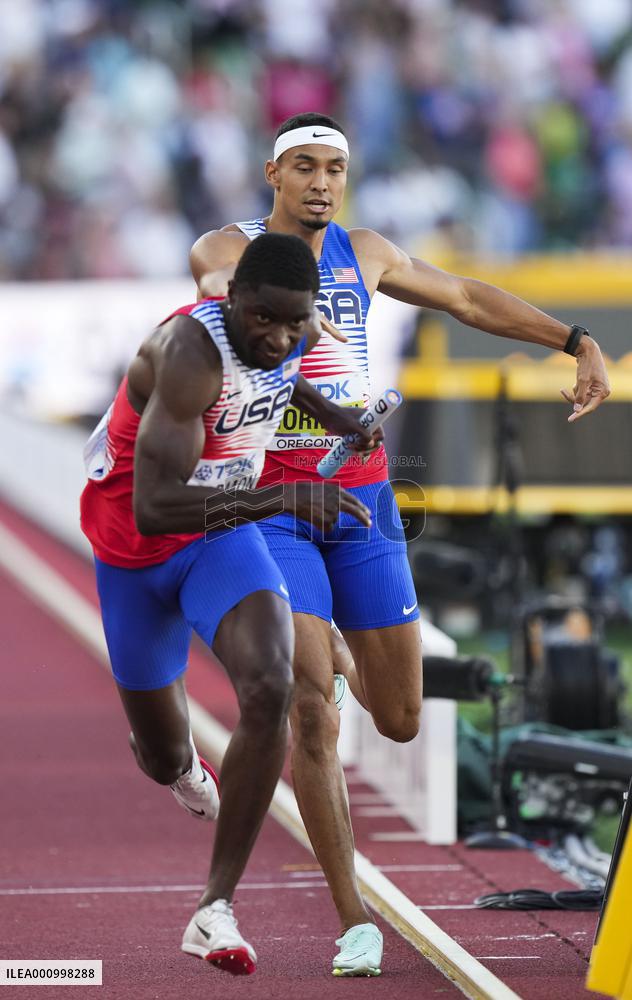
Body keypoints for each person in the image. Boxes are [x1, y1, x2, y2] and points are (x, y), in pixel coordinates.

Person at [189, 112, 611, 977]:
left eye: (333, 168)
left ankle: (336, 641)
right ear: (272, 173)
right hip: (275, 502)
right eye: (302, 166)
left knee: (402, 718)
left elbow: (463, 295)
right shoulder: (225, 251)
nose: (319, 182)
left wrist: (574, 340)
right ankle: (355, 919)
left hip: (364, 500)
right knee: (310, 709)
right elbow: (233, 301)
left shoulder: (368, 251)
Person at [79, 232, 379, 977]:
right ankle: (177, 762)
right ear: (231, 299)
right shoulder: (186, 355)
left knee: (272, 687)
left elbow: (281, 374)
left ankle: (215, 909)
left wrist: (339, 420)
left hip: (222, 539)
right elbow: (155, 507)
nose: (278, 339)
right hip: (138, 548)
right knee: (161, 754)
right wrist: (282, 494)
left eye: (292, 324)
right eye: (262, 322)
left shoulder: (290, 320)